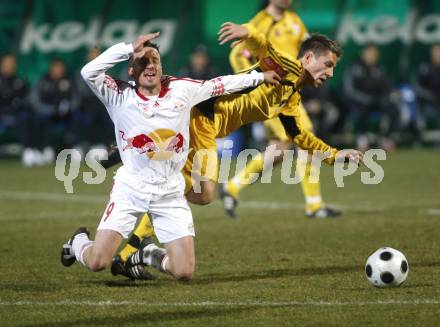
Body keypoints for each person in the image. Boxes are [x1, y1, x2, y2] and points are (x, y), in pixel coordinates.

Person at [113, 25, 364, 279]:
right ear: (309, 58)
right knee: (195, 189)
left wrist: (333, 155)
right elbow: (264, 47)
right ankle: (133, 250)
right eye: (328, 64)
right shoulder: (287, 67)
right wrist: (248, 33)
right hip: (201, 119)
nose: (331, 73)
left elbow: (299, 135)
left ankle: (134, 248)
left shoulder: (291, 96)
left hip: (203, 124)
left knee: (196, 190)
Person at [60, 32, 279, 281]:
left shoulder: (181, 89)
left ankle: (149, 254)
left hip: (170, 191)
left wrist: (259, 77)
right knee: (98, 261)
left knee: (184, 272)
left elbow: (220, 84)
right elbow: (88, 72)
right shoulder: (119, 95)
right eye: (142, 61)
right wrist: (128, 47)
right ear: (131, 70)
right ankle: (78, 242)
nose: (150, 65)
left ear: (162, 66)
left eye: (155, 60)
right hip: (131, 189)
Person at [223, 0, 340, 218]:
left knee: (279, 151)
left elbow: (308, 52)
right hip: (270, 97)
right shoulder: (259, 23)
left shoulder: (294, 21)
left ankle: (233, 187)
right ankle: (314, 204)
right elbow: (237, 55)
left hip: (289, 94)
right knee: (304, 137)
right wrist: (254, 81)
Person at [343, 44, 398, 151]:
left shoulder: (379, 69)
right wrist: (366, 99)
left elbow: (387, 87)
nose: (372, 56)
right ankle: (362, 139)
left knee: (393, 108)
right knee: (360, 110)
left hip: (376, 101)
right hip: (358, 102)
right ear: (363, 54)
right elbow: (350, 91)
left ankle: (386, 138)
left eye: (375, 54)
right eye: (370, 53)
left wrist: (391, 94)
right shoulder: (354, 68)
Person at [30, 58, 77, 164]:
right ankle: (44, 149)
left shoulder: (69, 80)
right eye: (56, 67)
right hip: (47, 114)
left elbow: (76, 100)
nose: (58, 70)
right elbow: (35, 102)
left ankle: (75, 148)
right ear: (51, 69)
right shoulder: (43, 80)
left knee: (77, 117)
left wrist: (68, 108)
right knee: (37, 118)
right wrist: (51, 110)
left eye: (60, 67)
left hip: (66, 115)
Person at [74, 47, 114, 151]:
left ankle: (102, 145)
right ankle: (83, 145)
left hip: (103, 104)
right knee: (86, 115)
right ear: (88, 57)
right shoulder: (81, 72)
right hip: (85, 105)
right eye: (92, 54)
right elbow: (81, 91)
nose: (94, 57)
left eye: (97, 54)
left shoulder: (107, 72)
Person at [0, 53, 30, 164]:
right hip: (1, 114)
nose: (9, 65)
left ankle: (28, 152)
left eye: (11, 63)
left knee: (27, 118)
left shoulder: (20, 81)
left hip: (15, 114)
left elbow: (25, 99)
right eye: (7, 63)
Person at [414, 44, 440, 132]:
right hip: (428, 102)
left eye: (438, 52)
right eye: (435, 52)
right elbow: (417, 87)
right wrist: (430, 96)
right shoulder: (425, 68)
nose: (437, 54)